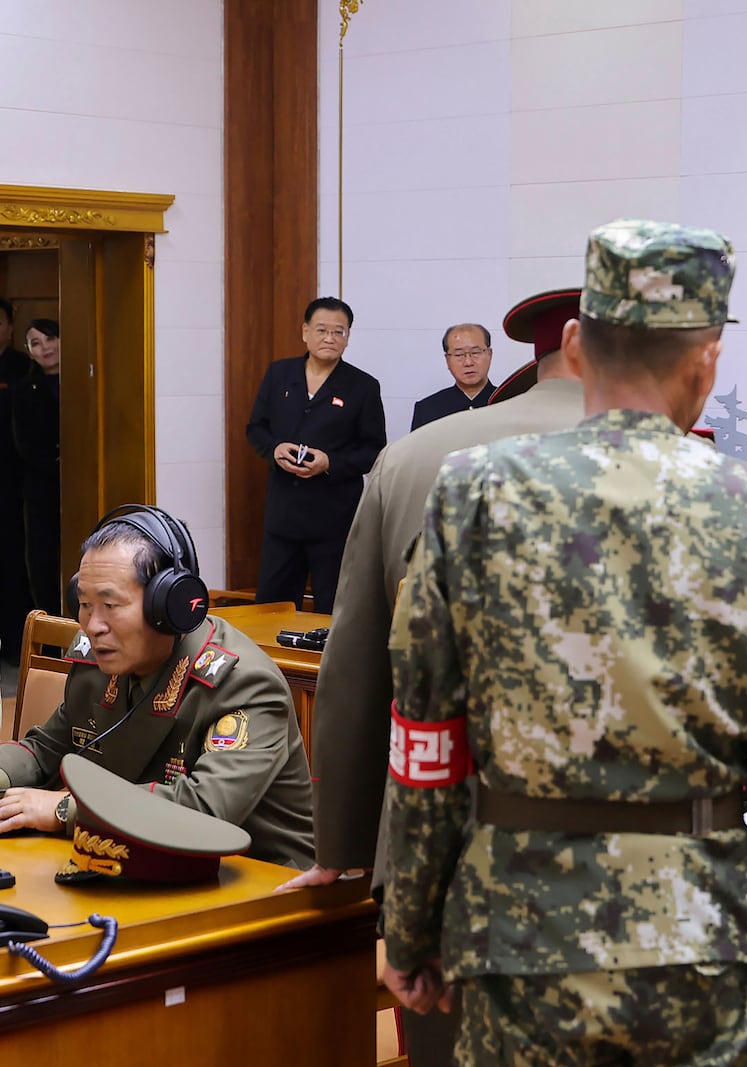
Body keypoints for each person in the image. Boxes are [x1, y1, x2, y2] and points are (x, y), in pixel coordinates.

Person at [380, 220, 747, 1065]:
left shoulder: (474, 496)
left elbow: (426, 742)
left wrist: (409, 923)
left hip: (518, 934)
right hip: (703, 943)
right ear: (708, 358)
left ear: (575, 346)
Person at [278, 287, 584, 1067]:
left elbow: (353, 667)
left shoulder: (415, 455)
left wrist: (341, 843)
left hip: (445, 851)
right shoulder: (682, 462)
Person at [0, 505, 314, 869]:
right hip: (140, 864)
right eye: (84, 605)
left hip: (256, 881)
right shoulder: (98, 663)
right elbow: (45, 750)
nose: (93, 624)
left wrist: (63, 809)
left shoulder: (242, 684)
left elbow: (205, 810)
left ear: (169, 605)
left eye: (110, 605)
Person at [245, 296, 385, 611]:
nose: (330, 338)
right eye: (322, 330)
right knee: (271, 606)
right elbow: (256, 428)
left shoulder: (363, 386)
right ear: (305, 331)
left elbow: (374, 450)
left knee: (334, 608)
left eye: (339, 332)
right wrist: (274, 449)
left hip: (334, 520)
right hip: (283, 516)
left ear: (348, 337)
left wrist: (330, 462)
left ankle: (328, 662)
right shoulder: (279, 374)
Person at [11, 318, 61, 615]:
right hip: (41, 486)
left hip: (83, 486)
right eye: (36, 343)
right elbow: (24, 444)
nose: (46, 348)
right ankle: (51, 631)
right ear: (29, 352)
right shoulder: (23, 390)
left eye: (50, 338)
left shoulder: (88, 379)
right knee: (42, 562)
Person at [0, 299, 33, 660]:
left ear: (10, 327)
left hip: (12, 481)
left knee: (12, 561)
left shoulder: (22, 368)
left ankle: (15, 643)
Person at [410, 323, 497, 431]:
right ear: (447, 360)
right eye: (459, 355)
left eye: (475, 352)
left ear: (490, 354)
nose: (468, 362)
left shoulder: (511, 403)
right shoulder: (427, 409)